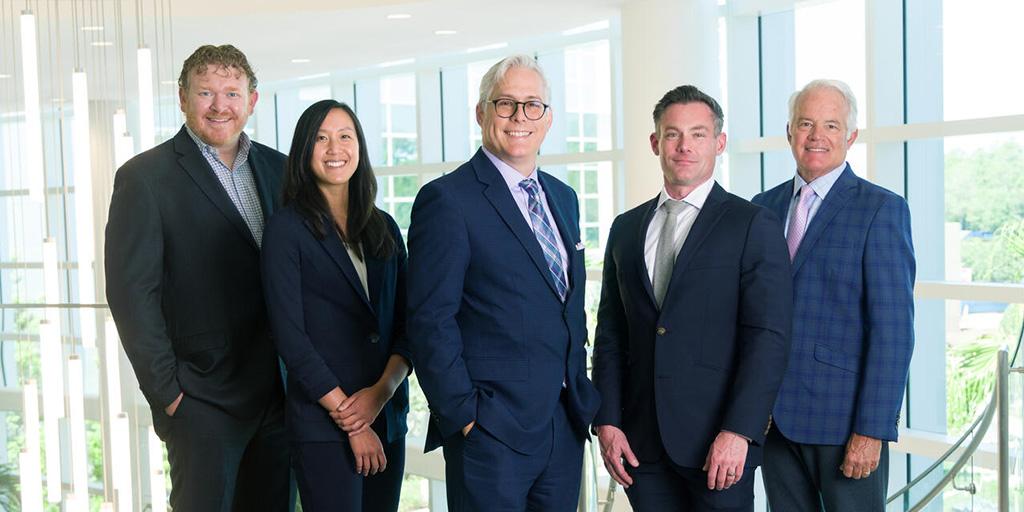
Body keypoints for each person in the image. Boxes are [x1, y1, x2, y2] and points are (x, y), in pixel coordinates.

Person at [406, 54, 601, 511]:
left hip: (563, 426)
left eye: (532, 105)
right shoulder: (448, 200)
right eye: (505, 103)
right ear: (481, 113)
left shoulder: (564, 198)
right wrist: (465, 415)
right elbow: (430, 320)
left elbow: (566, 306)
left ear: (548, 118)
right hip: (491, 431)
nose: (519, 117)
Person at [105, 44, 290, 511]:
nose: (219, 105)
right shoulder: (144, 178)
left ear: (252, 100)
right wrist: (168, 395)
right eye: (206, 92)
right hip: (201, 398)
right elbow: (132, 295)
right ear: (183, 98)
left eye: (232, 93)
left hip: (280, 394)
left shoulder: (282, 169)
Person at [592, 85, 793, 512]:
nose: (685, 146)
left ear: (719, 143)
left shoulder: (751, 224)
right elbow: (610, 332)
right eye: (673, 134)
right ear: (655, 142)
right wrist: (607, 419)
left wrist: (740, 431)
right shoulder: (625, 229)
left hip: (718, 447)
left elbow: (768, 338)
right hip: (640, 447)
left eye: (698, 134)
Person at [752, 79, 915, 512]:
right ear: (789, 132)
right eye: (806, 123)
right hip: (772, 423)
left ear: (851, 136)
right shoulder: (761, 208)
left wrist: (872, 429)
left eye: (830, 125)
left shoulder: (880, 209)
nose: (816, 136)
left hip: (844, 426)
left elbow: (893, 332)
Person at [261, 99, 411, 512]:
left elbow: (409, 323)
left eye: (345, 136)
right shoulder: (286, 230)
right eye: (321, 138)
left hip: (387, 418)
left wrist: (381, 394)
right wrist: (353, 421)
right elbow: (291, 339)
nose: (334, 148)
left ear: (359, 147)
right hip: (324, 427)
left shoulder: (384, 227)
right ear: (304, 150)